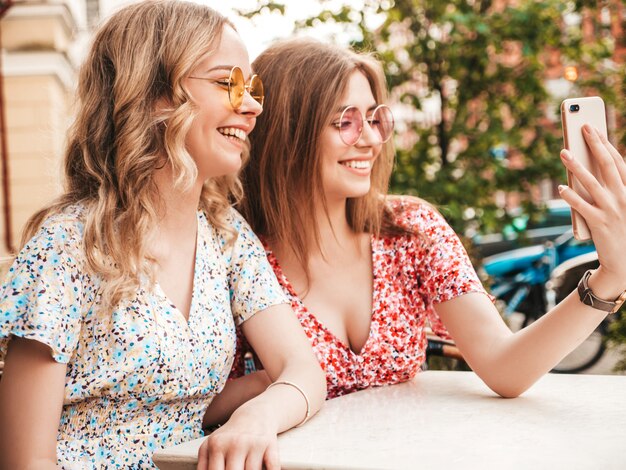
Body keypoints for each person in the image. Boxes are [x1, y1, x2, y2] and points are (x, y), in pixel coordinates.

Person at [204, 36, 626, 424]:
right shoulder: (232, 248)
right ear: (287, 131)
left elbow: (506, 367)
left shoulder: (410, 230)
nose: (370, 139)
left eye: (374, 119)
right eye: (344, 122)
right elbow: (184, 406)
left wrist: (611, 276)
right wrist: (258, 391)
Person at [0, 4, 326, 469]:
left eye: (251, 87)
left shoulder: (227, 236)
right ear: (154, 93)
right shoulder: (68, 246)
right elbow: (25, 463)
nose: (252, 105)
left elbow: (304, 370)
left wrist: (258, 416)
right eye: (225, 82)